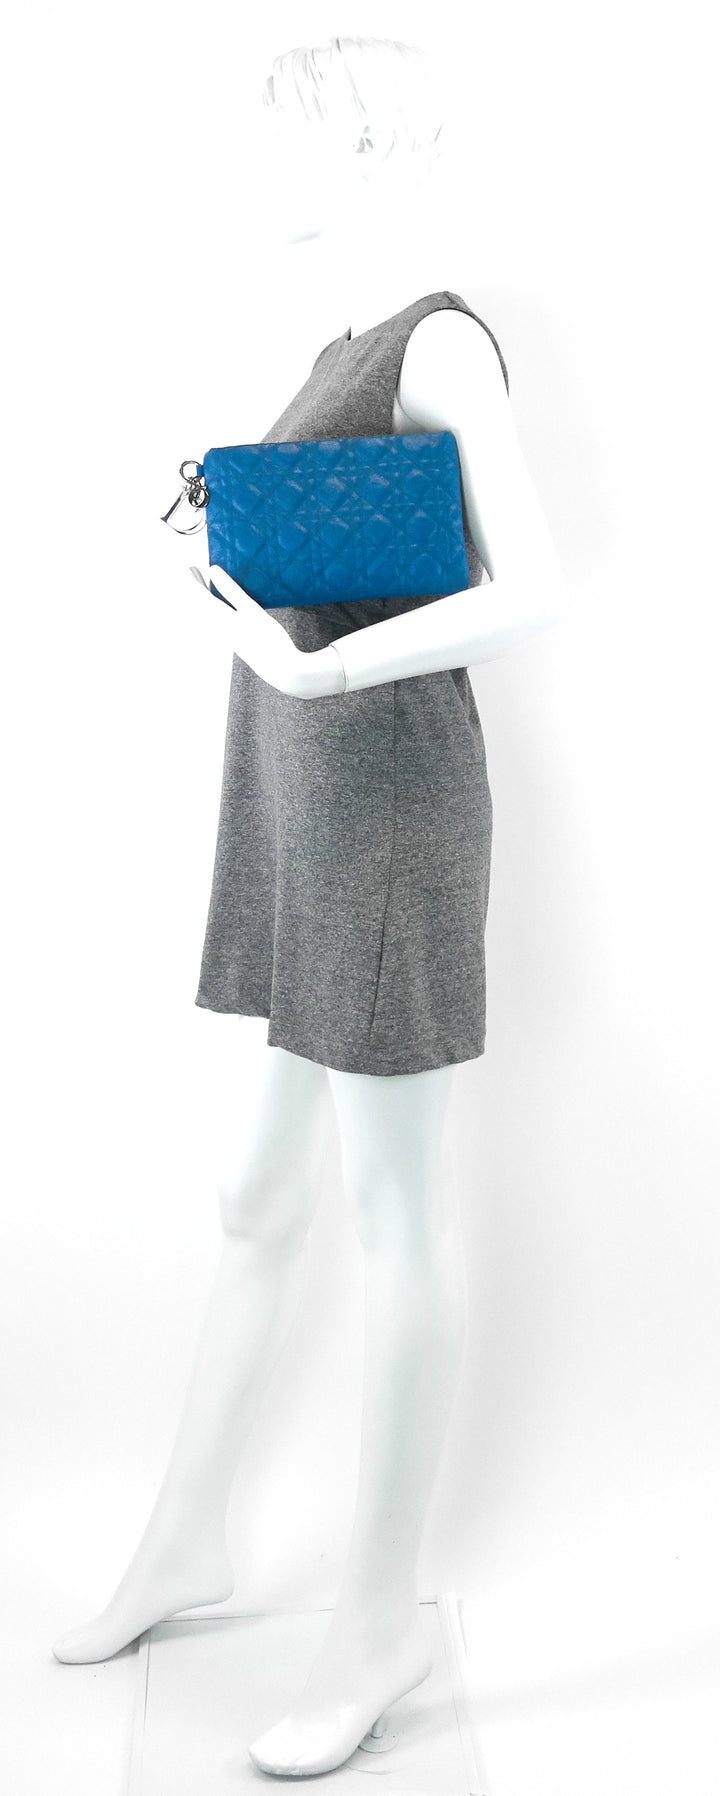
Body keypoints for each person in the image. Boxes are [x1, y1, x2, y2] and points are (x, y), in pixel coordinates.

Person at [53, 35, 568, 1777]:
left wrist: (323, 672)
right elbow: (325, 578)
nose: (248, 172)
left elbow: (535, 585)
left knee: (394, 1220)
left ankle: (380, 1625)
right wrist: (225, 564)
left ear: (358, 145)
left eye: (275, 139)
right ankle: (187, 1536)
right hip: (292, 802)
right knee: (255, 1190)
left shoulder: (437, 338)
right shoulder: (334, 348)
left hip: (389, 806)